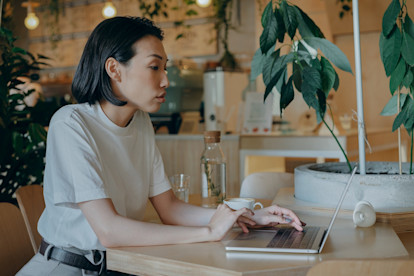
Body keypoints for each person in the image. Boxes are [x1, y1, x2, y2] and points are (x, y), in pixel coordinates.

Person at [17, 16, 303, 276]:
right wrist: (209, 231)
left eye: (165, 68)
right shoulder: (70, 123)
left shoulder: (141, 123)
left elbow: (170, 209)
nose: (166, 80)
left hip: (121, 266)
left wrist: (247, 216)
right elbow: (109, 231)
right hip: (67, 267)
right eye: (154, 67)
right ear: (114, 69)